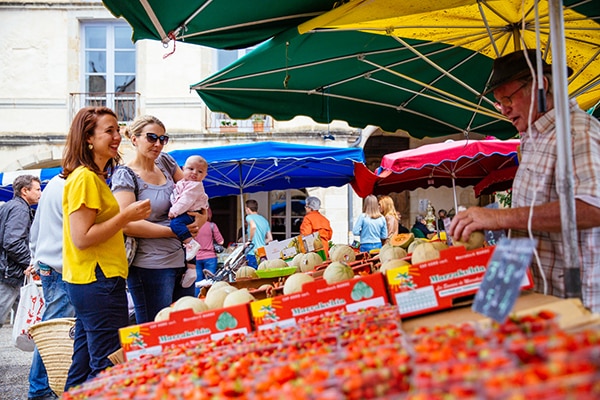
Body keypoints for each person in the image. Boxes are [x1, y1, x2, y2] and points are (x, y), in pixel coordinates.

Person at [449, 49, 600, 312]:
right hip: (538, 294)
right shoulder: (533, 137)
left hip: (575, 303)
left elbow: (593, 207)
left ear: (540, 86)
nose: (504, 109)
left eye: (508, 98)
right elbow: (532, 216)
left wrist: (499, 218)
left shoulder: (576, 133)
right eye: (498, 102)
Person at [61, 106, 152, 390]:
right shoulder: (86, 178)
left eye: (117, 130)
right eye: (109, 131)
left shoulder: (92, 176)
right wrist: (125, 216)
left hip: (90, 280)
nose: (117, 136)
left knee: (84, 363)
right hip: (98, 280)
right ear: (88, 138)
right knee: (106, 367)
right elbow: (83, 237)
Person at [111, 115, 206, 323]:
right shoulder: (125, 175)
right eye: (152, 137)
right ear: (134, 139)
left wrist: (200, 219)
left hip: (182, 261)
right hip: (151, 266)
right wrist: (173, 231)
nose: (158, 144)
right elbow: (126, 223)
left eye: (163, 139)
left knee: (186, 327)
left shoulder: (165, 161)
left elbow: (194, 194)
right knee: (157, 330)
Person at [27, 175, 76, 400]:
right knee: (52, 327)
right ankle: (39, 388)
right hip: (60, 266)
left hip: (51, 263)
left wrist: (37, 257)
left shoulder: (53, 185)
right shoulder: (70, 184)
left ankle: (41, 387)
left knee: (52, 325)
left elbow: (36, 231)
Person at [0, 175, 41, 328]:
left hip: (8, 271)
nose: (40, 193)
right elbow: (12, 242)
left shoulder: (10, 206)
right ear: (25, 190)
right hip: (8, 274)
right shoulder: (20, 209)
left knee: (27, 323)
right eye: (37, 189)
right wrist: (30, 262)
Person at [168, 155, 209, 263]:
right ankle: (189, 246)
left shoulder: (195, 185)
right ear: (183, 169)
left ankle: (190, 243)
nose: (194, 173)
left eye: (200, 171)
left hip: (190, 213)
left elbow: (185, 201)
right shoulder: (183, 182)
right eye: (191, 169)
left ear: (205, 175)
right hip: (186, 211)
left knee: (175, 224)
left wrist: (173, 211)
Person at [193, 209, 225, 295]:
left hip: (196, 257)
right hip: (210, 257)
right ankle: (209, 300)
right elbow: (221, 242)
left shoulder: (193, 226)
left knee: (197, 282)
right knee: (210, 281)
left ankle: (198, 300)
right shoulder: (212, 226)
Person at [245, 199, 272, 269]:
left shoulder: (249, 217)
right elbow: (270, 238)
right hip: (263, 251)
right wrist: (261, 241)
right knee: (261, 273)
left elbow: (253, 226)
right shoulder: (264, 220)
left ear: (248, 209)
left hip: (253, 252)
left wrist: (249, 240)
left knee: (253, 274)